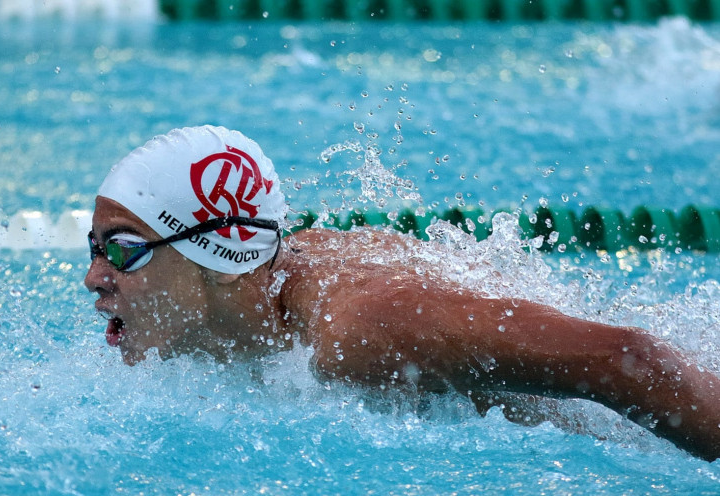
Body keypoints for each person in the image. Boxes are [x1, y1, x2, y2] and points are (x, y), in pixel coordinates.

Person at [84, 126, 720, 461]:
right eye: (93, 249)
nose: (95, 277)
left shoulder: (357, 330)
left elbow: (626, 359)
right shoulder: (262, 281)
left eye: (121, 248)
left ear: (212, 258)